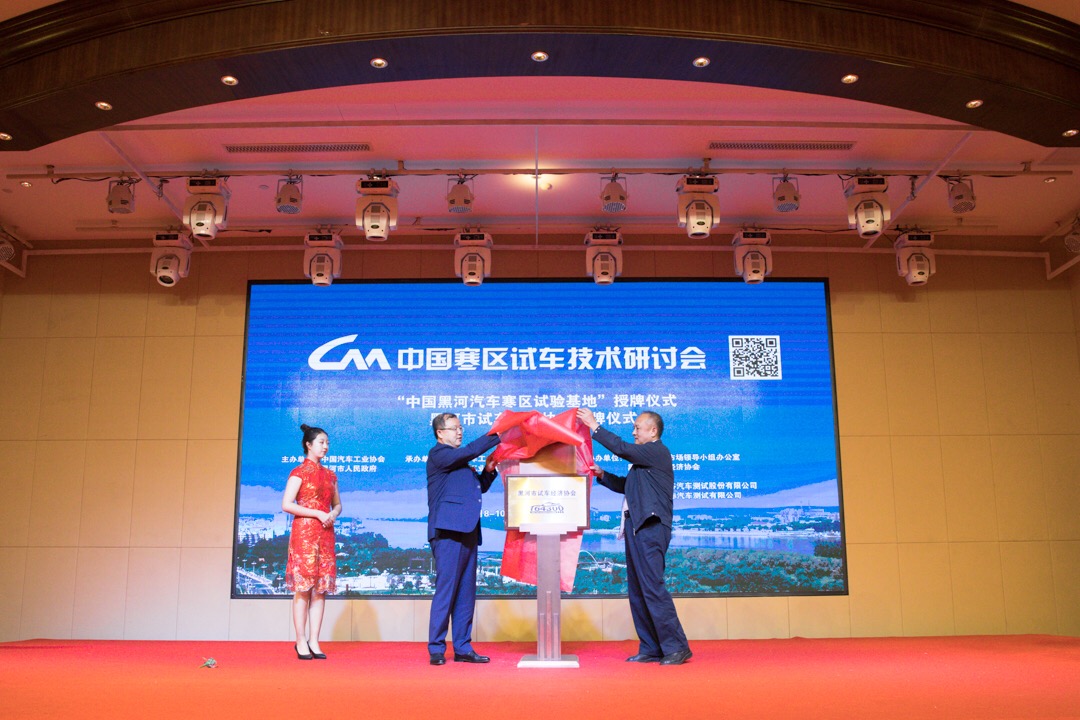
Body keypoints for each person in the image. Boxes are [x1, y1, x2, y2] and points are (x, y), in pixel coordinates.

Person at [576, 408, 692, 666]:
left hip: (651, 527)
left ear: (653, 431)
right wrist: (603, 475)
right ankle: (651, 647)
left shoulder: (657, 452)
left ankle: (676, 647)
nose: (634, 432)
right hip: (636, 527)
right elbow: (626, 487)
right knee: (638, 590)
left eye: (638, 428)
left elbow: (622, 448)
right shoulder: (642, 465)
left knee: (652, 587)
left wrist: (594, 426)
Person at [426, 413, 500, 665]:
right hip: (447, 532)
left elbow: (477, 487)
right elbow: (469, 451)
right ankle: (437, 648)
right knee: (446, 591)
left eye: (461, 428)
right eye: (454, 428)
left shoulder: (459, 462)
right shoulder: (439, 454)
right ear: (440, 433)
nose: (459, 432)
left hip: (468, 531)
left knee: (466, 594)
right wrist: (497, 435)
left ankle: (463, 647)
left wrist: (488, 471)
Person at [281, 423, 342, 660]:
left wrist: (332, 514)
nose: (325, 446)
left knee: (320, 589)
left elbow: (337, 504)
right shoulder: (299, 472)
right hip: (304, 534)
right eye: (321, 442)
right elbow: (287, 504)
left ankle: (314, 640)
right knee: (303, 588)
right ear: (308, 445)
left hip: (325, 533)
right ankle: (300, 640)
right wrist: (317, 513)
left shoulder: (330, 475)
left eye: (327, 443)